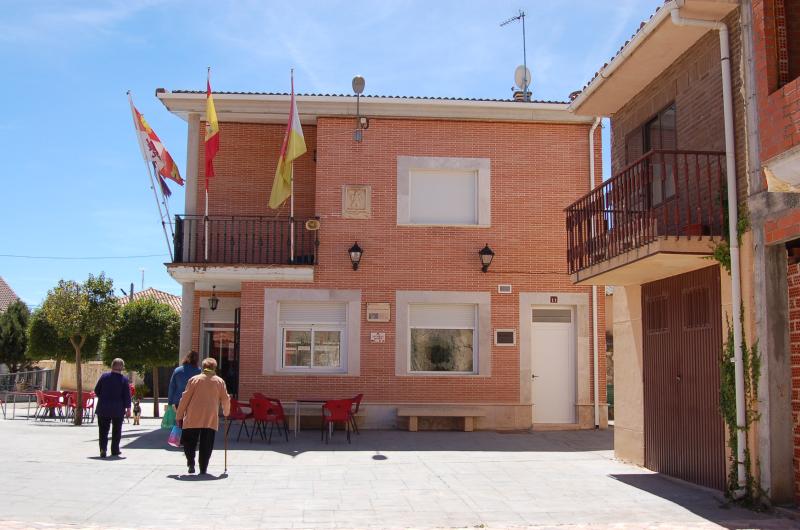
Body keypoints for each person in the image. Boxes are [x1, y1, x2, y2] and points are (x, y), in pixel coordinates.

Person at [175, 357, 230, 475]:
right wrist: (226, 412)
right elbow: (226, 399)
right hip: (210, 417)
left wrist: (179, 415)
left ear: (203, 367)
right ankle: (203, 468)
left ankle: (191, 463)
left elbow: (185, 398)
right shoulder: (219, 381)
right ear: (214, 368)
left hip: (192, 416)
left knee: (189, 441)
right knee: (207, 443)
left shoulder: (194, 380)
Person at [94, 358, 131, 458]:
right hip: (118, 409)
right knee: (117, 430)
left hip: (103, 407)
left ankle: (103, 449)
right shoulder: (124, 380)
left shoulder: (104, 377)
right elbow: (127, 395)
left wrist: (103, 397)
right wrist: (128, 409)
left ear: (112, 366)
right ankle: (115, 450)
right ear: (122, 367)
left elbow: (96, 390)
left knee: (103, 430)